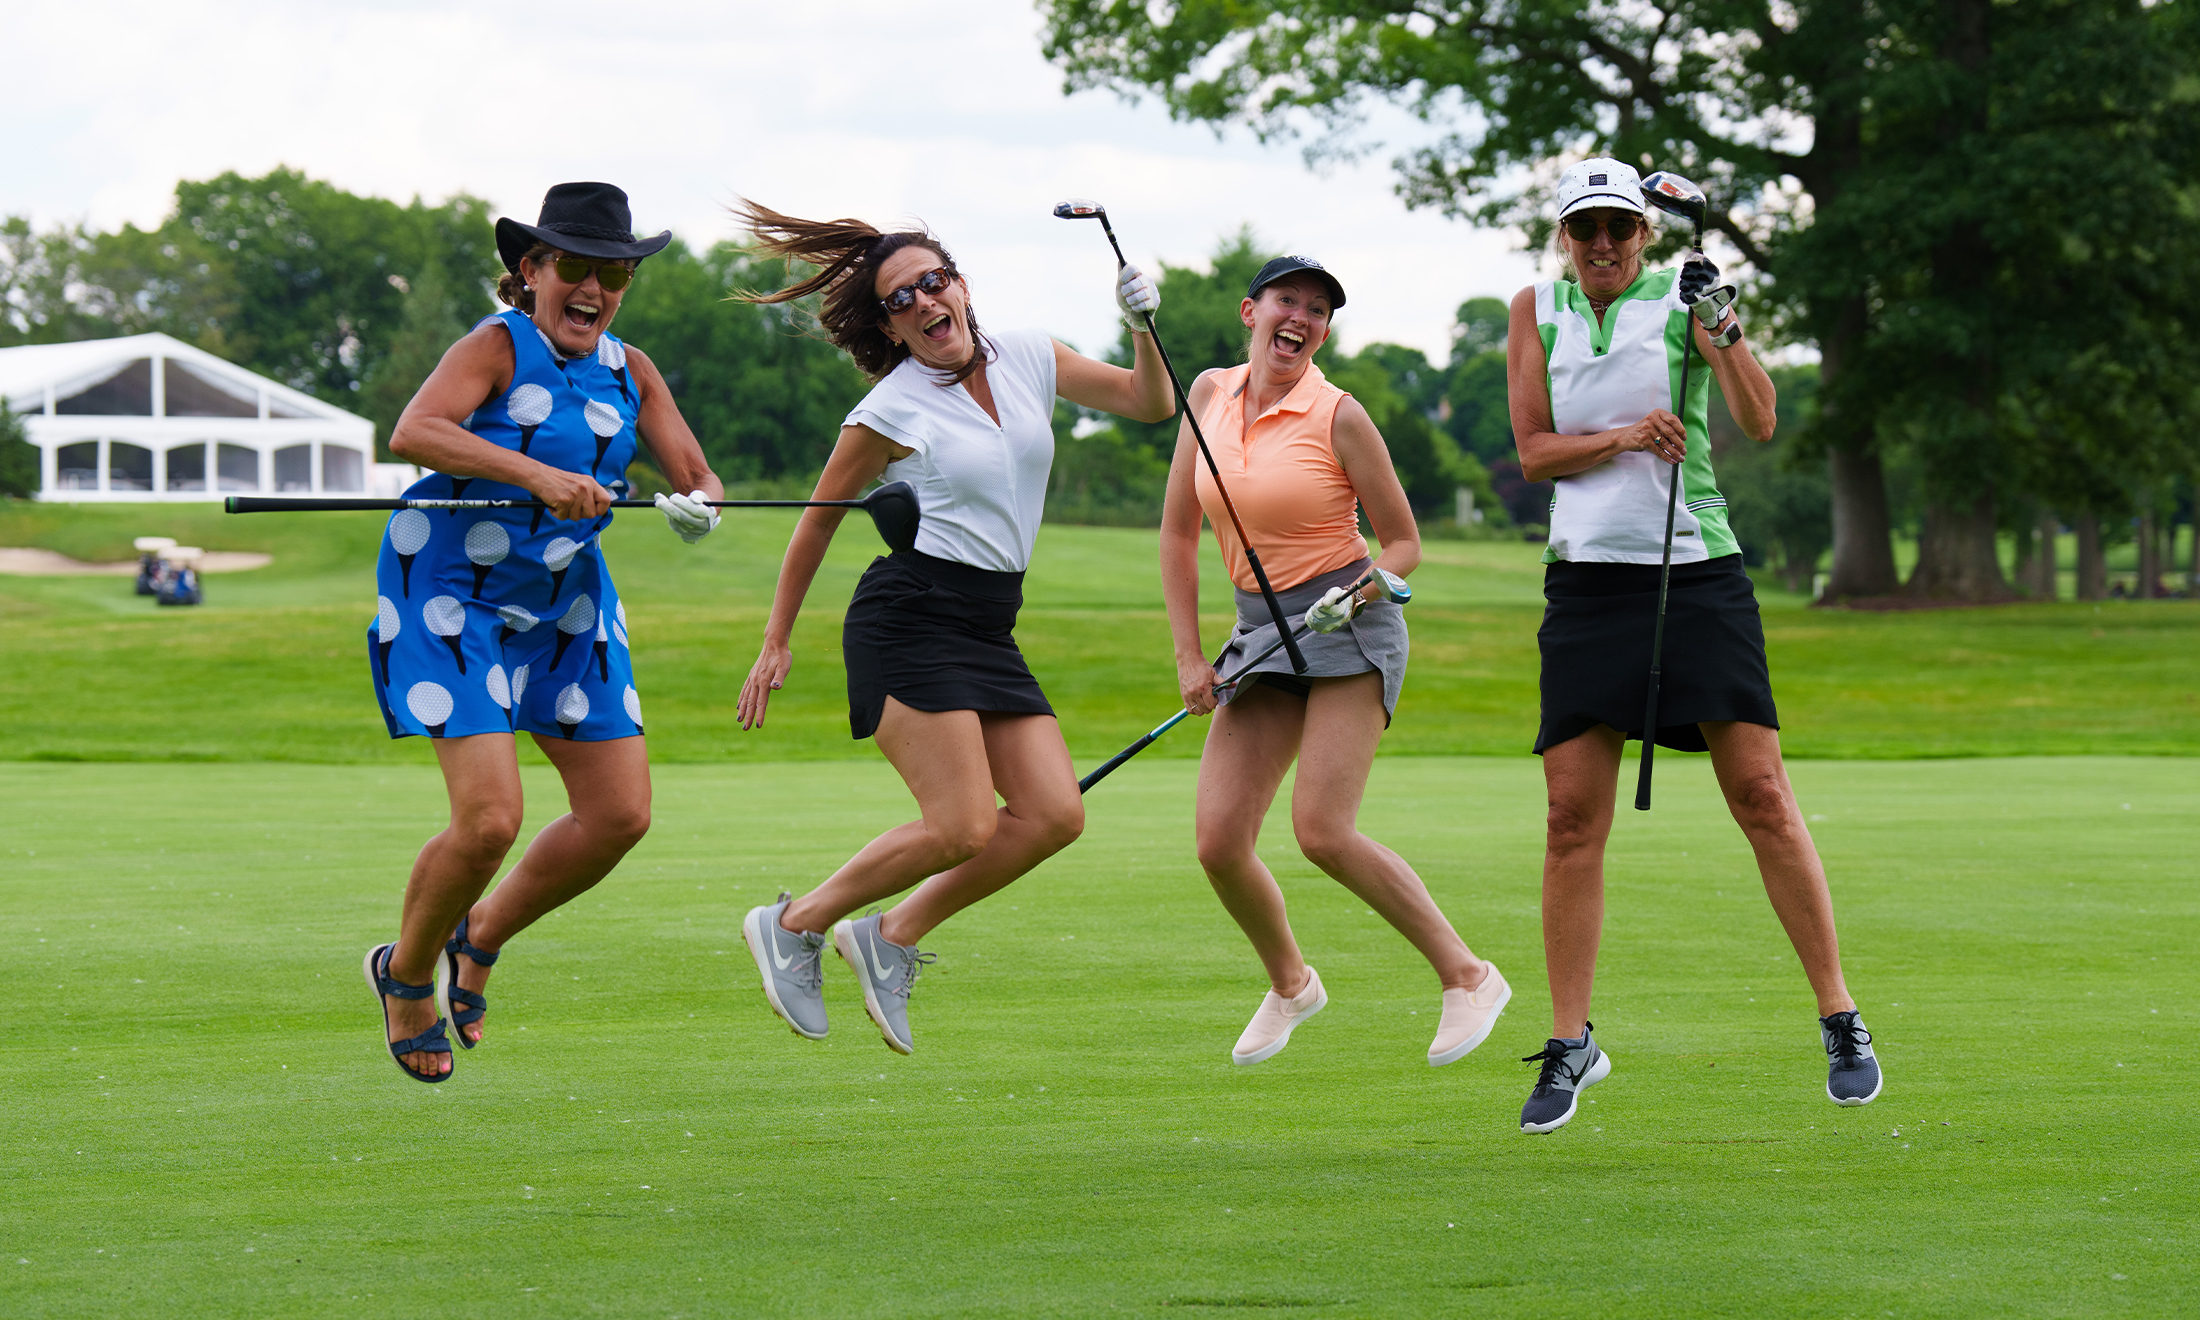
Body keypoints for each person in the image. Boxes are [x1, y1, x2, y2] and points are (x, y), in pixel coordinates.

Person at [731, 201, 1174, 1055]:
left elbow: (1149, 402)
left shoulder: (1032, 356)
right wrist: (777, 637)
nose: (926, 303)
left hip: (987, 622)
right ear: (893, 329)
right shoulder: (889, 410)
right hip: (910, 616)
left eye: (935, 282)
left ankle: (888, 935)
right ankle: (795, 923)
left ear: (963, 285)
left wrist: (1143, 327)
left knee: (1052, 815)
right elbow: (818, 519)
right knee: (962, 825)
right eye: (903, 301)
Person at [1504, 157, 1881, 1133]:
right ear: (1562, 236)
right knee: (1569, 820)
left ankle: (1839, 1014)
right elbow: (1535, 451)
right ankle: (1571, 1043)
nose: (1601, 246)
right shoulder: (1532, 309)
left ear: (1646, 234)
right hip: (1586, 585)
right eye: (1584, 229)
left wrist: (1727, 331)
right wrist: (1628, 438)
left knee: (1760, 795)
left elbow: (1756, 418)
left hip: (1697, 573)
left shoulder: (1686, 300)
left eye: (1618, 229)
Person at [363, 182, 727, 1082]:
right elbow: (417, 429)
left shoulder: (631, 369)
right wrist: (534, 475)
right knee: (489, 821)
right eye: (575, 267)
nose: (595, 288)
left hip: (568, 602)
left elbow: (697, 473)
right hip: (450, 590)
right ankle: (405, 973)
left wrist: (699, 509)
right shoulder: (494, 345)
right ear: (531, 271)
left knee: (619, 816)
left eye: (615, 273)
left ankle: (478, 935)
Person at [1160, 256, 1510, 1068]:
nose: (1302, 318)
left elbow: (1405, 544)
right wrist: (1188, 654)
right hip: (1259, 631)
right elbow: (1179, 533)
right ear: (1251, 310)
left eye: (1318, 310)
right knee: (1218, 841)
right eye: (1288, 301)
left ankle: (1469, 976)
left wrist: (1356, 593)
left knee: (1320, 829)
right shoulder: (1207, 395)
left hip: (1348, 623)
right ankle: (1292, 985)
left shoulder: (1340, 414)